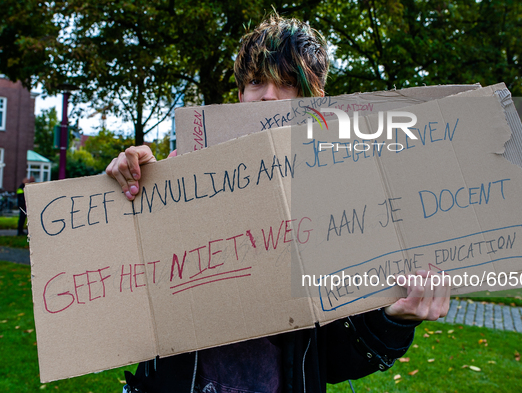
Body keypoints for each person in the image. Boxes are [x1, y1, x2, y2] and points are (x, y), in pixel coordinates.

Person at [107, 16, 451, 393]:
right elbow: (128, 296)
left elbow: (333, 360)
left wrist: (392, 320)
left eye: (287, 83)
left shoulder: (341, 206)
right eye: (256, 81)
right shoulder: (180, 175)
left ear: (314, 102)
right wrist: (131, 186)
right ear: (240, 95)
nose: (268, 96)